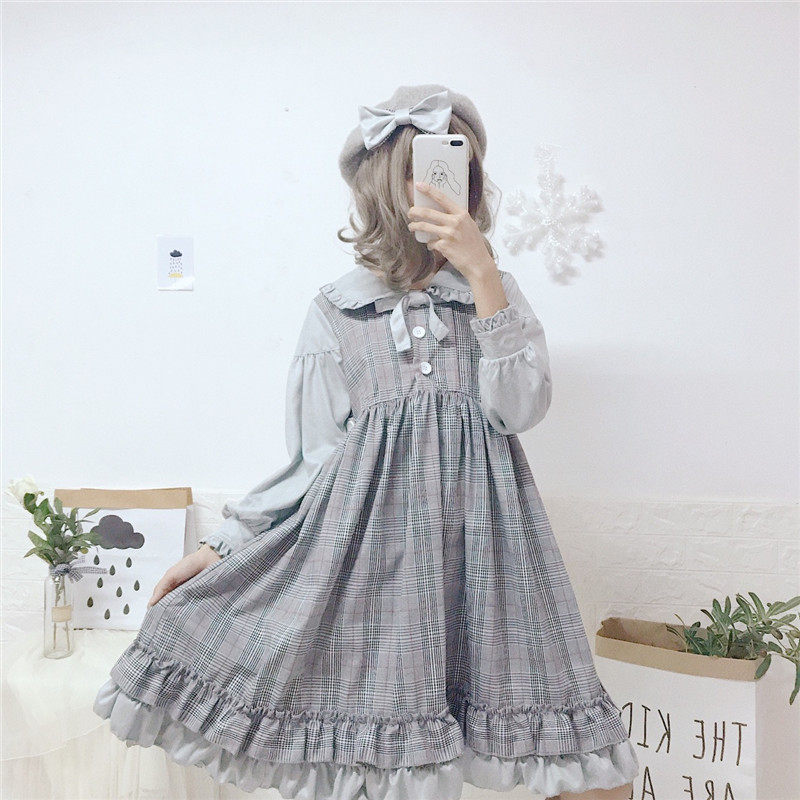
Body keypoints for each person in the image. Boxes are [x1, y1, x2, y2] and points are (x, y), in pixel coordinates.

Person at [93, 84, 639, 800]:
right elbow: (310, 464)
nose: (443, 188)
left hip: (493, 557)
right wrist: (222, 548)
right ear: (385, 186)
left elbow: (519, 409)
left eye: (457, 169)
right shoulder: (338, 312)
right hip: (373, 572)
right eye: (422, 170)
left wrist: (482, 273)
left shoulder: (493, 292)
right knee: (382, 772)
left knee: (585, 773)